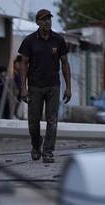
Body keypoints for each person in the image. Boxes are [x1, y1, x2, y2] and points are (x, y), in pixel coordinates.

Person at [18, 9, 72, 163]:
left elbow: (65, 64)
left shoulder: (58, 40)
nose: (47, 22)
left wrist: (68, 87)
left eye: (49, 19)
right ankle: (36, 145)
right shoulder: (29, 41)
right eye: (44, 19)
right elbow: (23, 64)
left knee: (52, 120)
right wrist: (23, 87)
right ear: (37, 22)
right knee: (33, 122)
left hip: (53, 86)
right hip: (35, 86)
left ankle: (48, 151)